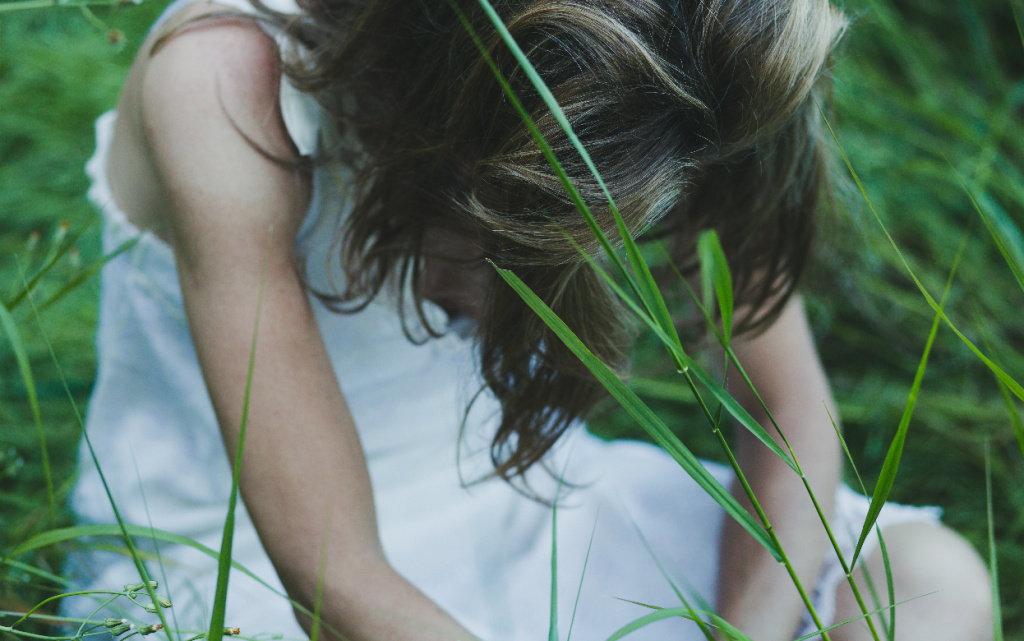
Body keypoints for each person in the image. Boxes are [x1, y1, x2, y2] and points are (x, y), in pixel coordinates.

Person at [66, 0, 993, 639]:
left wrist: (739, 631)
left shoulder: (687, 47)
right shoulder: (226, 76)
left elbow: (787, 416)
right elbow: (330, 573)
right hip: (252, 576)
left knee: (932, 582)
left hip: (525, 509)